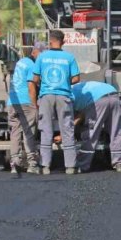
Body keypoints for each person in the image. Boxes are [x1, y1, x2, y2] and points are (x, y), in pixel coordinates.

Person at [30, 29, 80, 175]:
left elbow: (35, 79)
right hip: (64, 96)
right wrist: (64, 81)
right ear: (63, 42)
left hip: (46, 96)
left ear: (50, 41)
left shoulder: (42, 57)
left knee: (46, 129)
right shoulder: (69, 57)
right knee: (67, 129)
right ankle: (70, 166)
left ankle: (45, 166)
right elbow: (76, 78)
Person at [7, 41, 47, 176]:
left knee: (15, 131)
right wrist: (35, 105)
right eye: (43, 53)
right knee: (29, 131)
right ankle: (32, 164)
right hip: (25, 101)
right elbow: (31, 86)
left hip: (12, 100)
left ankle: (15, 162)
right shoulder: (32, 65)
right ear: (36, 52)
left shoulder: (21, 62)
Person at [72, 81, 121, 173]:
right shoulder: (79, 87)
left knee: (91, 133)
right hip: (115, 96)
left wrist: (64, 133)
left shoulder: (70, 95)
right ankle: (119, 163)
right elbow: (82, 114)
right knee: (116, 131)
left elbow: (77, 116)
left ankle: (82, 165)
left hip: (99, 100)